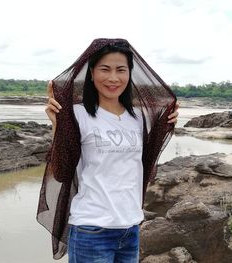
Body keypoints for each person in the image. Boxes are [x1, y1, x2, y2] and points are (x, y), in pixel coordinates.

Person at [37, 38, 179, 262]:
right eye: (105, 69)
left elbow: (145, 167)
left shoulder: (137, 117)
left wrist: (165, 126)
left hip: (130, 228)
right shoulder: (77, 113)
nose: (113, 78)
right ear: (91, 73)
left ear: (129, 74)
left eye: (121, 70)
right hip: (91, 230)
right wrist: (57, 126)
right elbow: (62, 171)